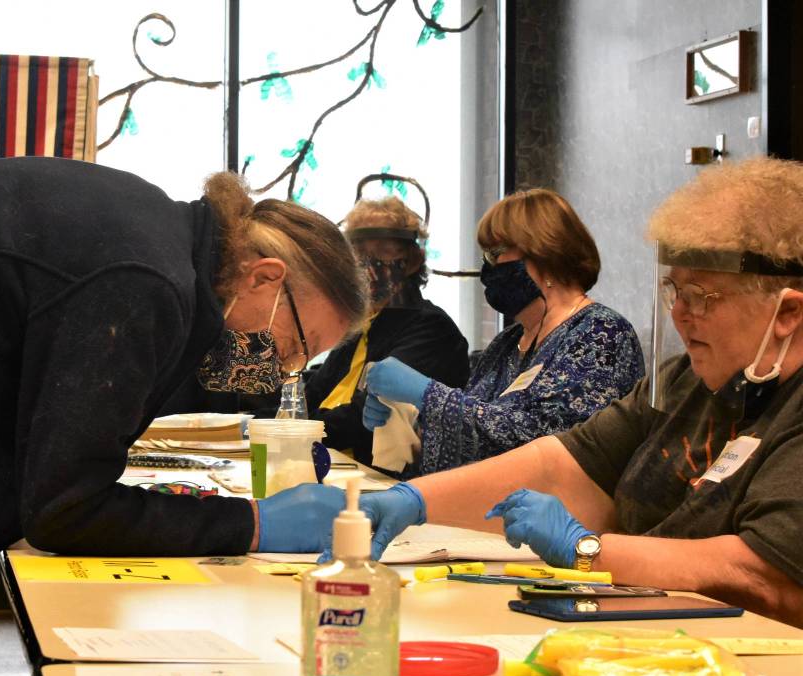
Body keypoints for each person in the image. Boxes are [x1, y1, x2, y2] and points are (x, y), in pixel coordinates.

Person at [0, 156, 364, 676]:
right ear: (264, 276)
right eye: (298, 343)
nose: (287, 368)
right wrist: (252, 525)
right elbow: (65, 508)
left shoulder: (155, 241)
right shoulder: (144, 281)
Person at [332, 157, 803, 627]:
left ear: (787, 314)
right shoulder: (686, 382)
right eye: (673, 292)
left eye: (702, 296)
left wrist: (587, 550)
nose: (680, 314)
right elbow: (562, 464)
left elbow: (764, 574)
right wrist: (409, 501)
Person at [364, 189, 644, 476]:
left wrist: (428, 394)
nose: (488, 268)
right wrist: (408, 423)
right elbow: (475, 439)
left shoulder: (602, 333)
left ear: (545, 252)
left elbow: (548, 442)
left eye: (496, 253)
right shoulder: (507, 343)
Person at [306, 196, 469, 473]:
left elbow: (362, 418)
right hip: (330, 465)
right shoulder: (362, 326)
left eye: (382, 253)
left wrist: (298, 431)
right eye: (358, 254)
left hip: (381, 481)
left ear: (412, 260)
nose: (368, 267)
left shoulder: (432, 329)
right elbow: (316, 390)